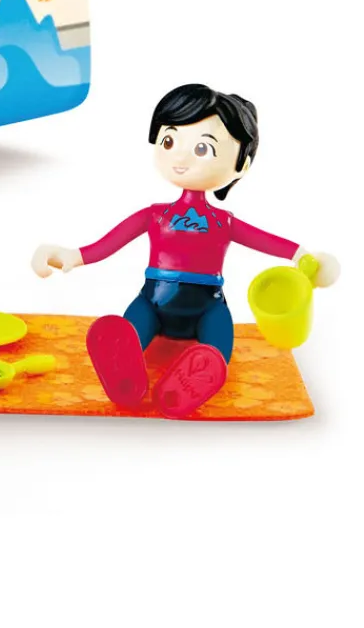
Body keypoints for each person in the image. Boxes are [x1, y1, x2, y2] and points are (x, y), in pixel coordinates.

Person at [32, 83, 339, 417]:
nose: (180, 157)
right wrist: (72, 256)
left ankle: (202, 373)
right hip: (152, 301)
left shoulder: (224, 222)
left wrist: (301, 256)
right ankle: (123, 366)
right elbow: (111, 242)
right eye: (169, 142)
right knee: (131, 328)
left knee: (219, 345)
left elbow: (265, 240)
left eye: (203, 148)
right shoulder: (154, 215)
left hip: (208, 307)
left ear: (242, 166)